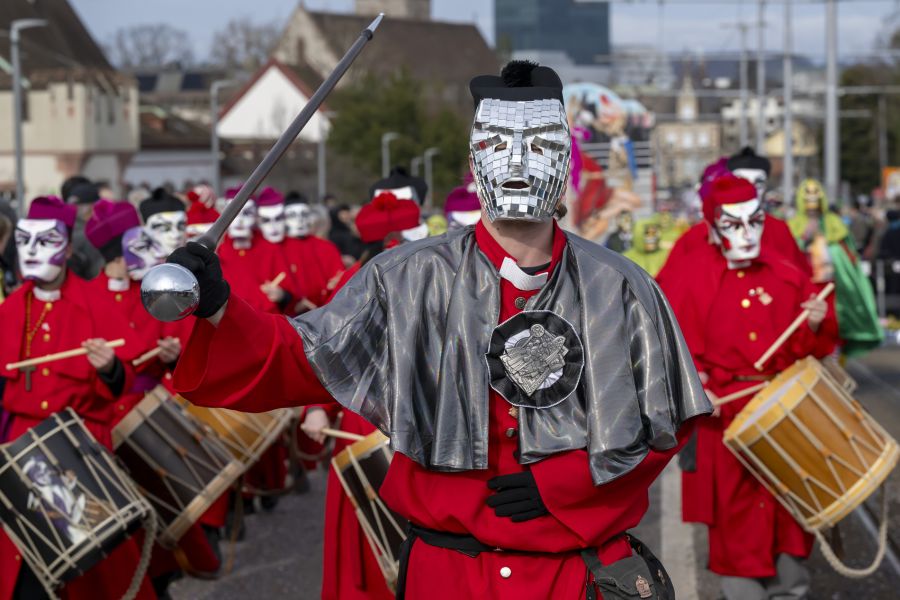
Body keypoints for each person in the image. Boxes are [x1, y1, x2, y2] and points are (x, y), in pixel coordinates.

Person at [168, 61, 710, 599]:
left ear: (565, 159)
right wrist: (219, 305)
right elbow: (304, 358)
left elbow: (659, 423)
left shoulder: (622, 287)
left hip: (573, 576)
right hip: (446, 577)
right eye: (499, 146)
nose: (518, 163)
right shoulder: (403, 276)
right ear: (475, 161)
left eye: (540, 145)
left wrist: (567, 484)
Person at [656, 174, 838, 600]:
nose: (747, 233)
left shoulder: (786, 273)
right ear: (713, 225)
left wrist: (814, 323)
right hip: (726, 422)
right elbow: (666, 346)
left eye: (755, 221)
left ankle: (791, 589)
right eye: (734, 225)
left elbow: (811, 347)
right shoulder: (690, 273)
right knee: (735, 517)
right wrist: (697, 387)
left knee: (791, 508)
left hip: (784, 414)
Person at [0, 196, 155, 600]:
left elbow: (126, 375)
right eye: (24, 241)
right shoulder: (12, 308)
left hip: (80, 445)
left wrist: (109, 368)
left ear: (67, 248)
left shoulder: (96, 302)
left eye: (46, 241)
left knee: (93, 573)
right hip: (21, 446)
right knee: (24, 564)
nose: (32, 252)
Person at [301, 190, 422, 600]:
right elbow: (330, 351)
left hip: (426, 417)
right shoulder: (357, 283)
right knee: (368, 544)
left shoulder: (445, 276)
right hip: (368, 419)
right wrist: (317, 408)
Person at [788, 179, 882, 356]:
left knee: (832, 327)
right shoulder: (792, 225)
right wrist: (804, 238)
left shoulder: (834, 223)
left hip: (831, 286)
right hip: (804, 287)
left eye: (815, 207)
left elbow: (847, 254)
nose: (812, 211)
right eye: (808, 207)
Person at [281, 191, 344, 309]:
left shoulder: (326, 247)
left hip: (323, 310)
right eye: (293, 215)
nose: (300, 220)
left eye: (304, 214)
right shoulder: (277, 248)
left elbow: (338, 280)